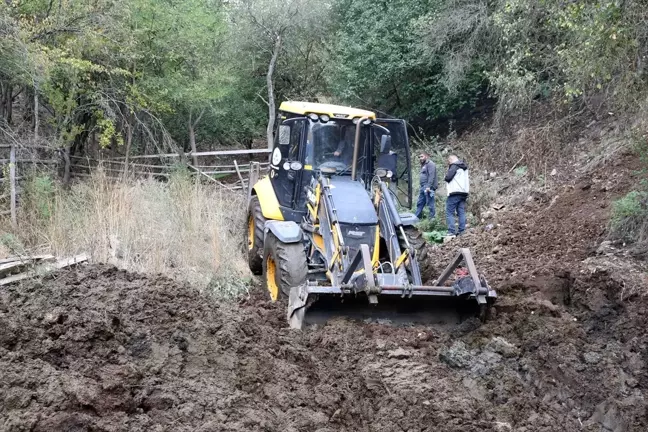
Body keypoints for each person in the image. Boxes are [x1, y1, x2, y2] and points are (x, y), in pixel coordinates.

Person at [444, 155, 469, 237]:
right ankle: (462, 231)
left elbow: (448, 178)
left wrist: (446, 174)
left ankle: (451, 231)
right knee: (461, 212)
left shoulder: (454, 166)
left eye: (449, 161)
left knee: (449, 212)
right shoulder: (464, 167)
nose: (449, 163)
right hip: (464, 192)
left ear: (451, 160)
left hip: (455, 192)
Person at [415, 152, 438, 220]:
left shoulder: (430, 164)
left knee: (430, 203)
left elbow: (432, 176)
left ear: (426, 156)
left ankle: (432, 219)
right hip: (423, 187)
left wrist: (429, 186)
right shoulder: (423, 165)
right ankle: (416, 218)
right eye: (419, 157)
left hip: (428, 187)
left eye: (422, 156)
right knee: (420, 203)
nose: (420, 158)